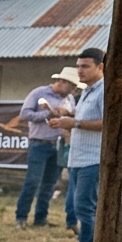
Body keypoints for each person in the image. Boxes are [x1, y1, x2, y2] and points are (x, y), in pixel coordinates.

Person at [49, 48, 105, 242]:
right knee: (75, 206)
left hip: (93, 158)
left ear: (100, 67)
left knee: (85, 208)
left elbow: (107, 123)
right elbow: (83, 120)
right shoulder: (87, 92)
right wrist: (67, 119)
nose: (79, 71)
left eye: (85, 66)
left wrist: (75, 124)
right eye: (78, 66)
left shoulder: (104, 91)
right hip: (77, 157)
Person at [13, 67, 81, 229]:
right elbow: (25, 114)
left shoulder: (69, 99)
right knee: (33, 181)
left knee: (50, 184)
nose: (73, 91)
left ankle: (40, 218)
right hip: (40, 143)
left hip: (58, 144)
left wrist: (68, 115)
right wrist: (47, 114)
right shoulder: (39, 93)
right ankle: (21, 217)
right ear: (62, 82)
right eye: (72, 87)